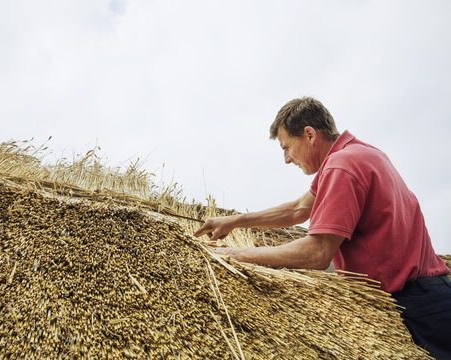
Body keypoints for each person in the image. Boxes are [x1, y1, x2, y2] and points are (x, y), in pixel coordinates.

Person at [193, 97, 451, 358]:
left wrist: (235, 255)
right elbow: (298, 209)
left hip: (418, 305)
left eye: (287, 148)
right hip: (432, 293)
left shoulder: (342, 166)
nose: (286, 159)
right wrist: (235, 221)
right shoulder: (361, 154)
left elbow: (317, 253)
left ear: (309, 135)